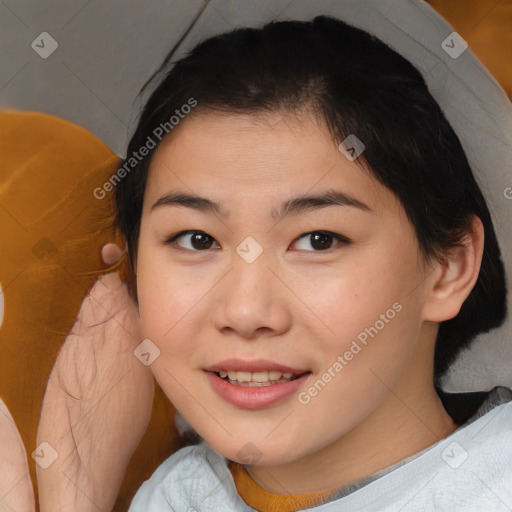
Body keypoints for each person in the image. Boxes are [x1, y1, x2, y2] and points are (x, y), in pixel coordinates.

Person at [106, 11, 512, 512]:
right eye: (196, 239)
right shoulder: (175, 496)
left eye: (319, 240)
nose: (246, 312)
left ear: (449, 267)